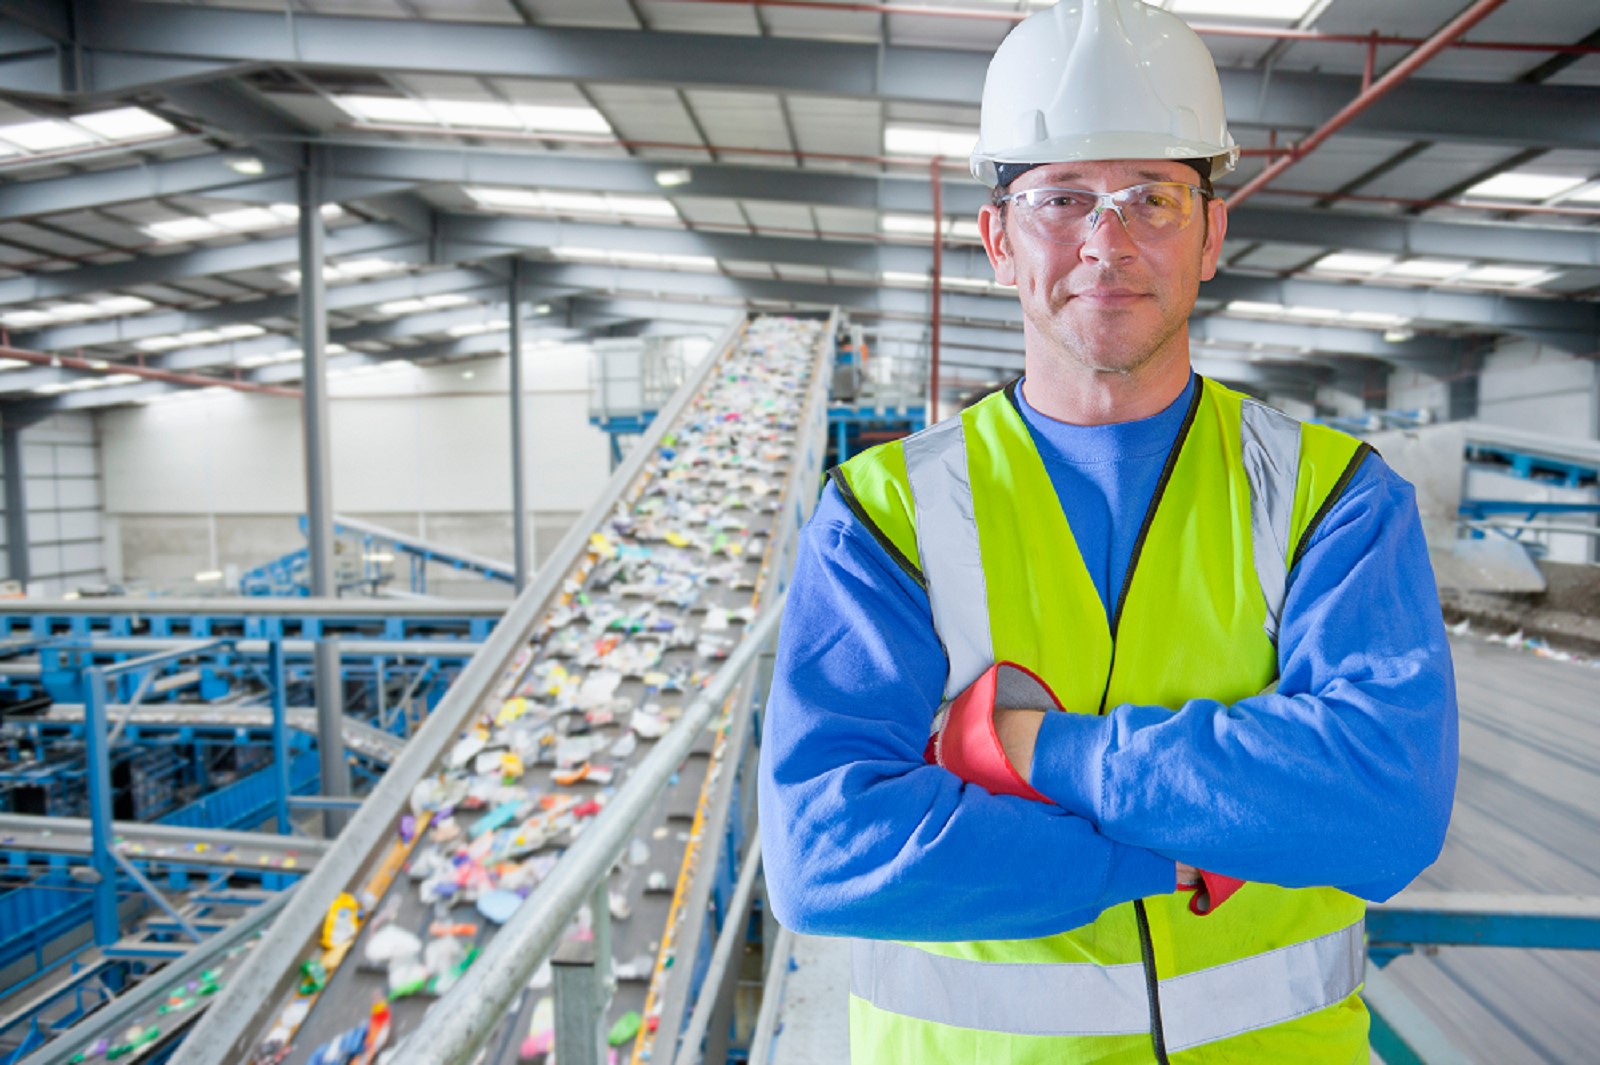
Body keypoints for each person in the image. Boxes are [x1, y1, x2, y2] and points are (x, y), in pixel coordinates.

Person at [756, 1, 1458, 1062]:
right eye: (1062, 199)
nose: (1106, 241)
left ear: (1213, 232)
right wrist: (1170, 850)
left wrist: (1036, 749)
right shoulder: (885, 515)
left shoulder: (1330, 497)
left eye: (1153, 198)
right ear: (997, 240)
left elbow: (1382, 803)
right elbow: (823, 852)